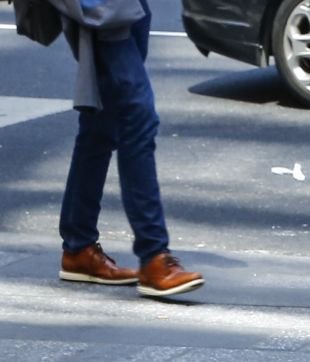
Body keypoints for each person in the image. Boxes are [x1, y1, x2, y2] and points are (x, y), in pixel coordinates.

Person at [55, 0, 204, 298]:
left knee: (102, 122)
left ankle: (78, 247)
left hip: (128, 7)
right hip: (104, 8)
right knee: (138, 114)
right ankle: (154, 256)